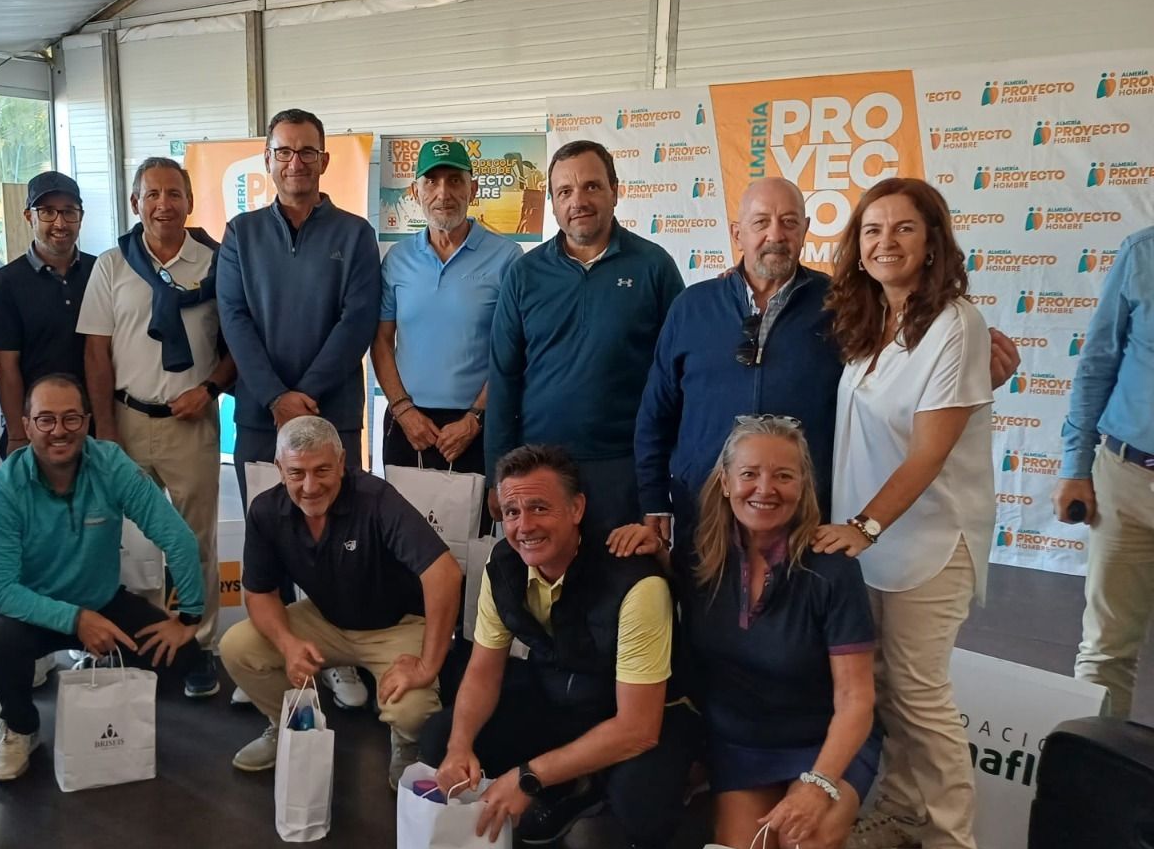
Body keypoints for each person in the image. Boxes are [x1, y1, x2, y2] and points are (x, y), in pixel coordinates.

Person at [634, 177, 1020, 555]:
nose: (775, 234)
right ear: (737, 234)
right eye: (760, 222)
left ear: (805, 230)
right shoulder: (692, 307)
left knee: (797, 620)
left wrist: (972, 374)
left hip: (806, 520)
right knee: (701, 618)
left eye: (788, 222)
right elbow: (657, 412)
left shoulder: (845, 307)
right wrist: (655, 499)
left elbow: (897, 376)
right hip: (705, 512)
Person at [814, 177, 994, 849]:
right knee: (882, 686)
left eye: (904, 230)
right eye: (872, 230)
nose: (885, 242)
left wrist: (865, 522)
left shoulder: (956, 325)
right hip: (874, 545)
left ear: (933, 243)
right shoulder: (868, 322)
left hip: (925, 542)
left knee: (919, 697)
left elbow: (930, 448)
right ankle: (895, 812)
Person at [421, 444, 701, 849]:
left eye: (539, 507)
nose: (524, 525)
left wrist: (528, 777)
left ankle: (646, 844)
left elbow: (638, 726)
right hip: (562, 695)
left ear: (577, 509)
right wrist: (458, 746)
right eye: (511, 511)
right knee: (439, 738)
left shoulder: (635, 581)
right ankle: (572, 789)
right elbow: (482, 672)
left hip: (642, 714)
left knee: (642, 802)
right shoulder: (503, 568)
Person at [612, 416, 877, 849]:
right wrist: (651, 548)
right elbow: (681, 585)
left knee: (803, 847)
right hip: (740, 742)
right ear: (726, 481)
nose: (765, 488)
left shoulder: (832, 569)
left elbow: (856, 698)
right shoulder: (700, 553)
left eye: (783, 475)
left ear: (804, 485)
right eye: (750, 473)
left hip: (820, 739)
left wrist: (820, 782)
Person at [217, 107, 380, 711]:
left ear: (324, 161)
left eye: (307, 152)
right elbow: (234, 319)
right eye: (283, 152)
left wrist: (304, 399)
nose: (295, 163)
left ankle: (335, 657)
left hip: (331, 414)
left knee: (338, 534)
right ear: (267, 161)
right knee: (271, 533)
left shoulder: (355, 234)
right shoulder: (241, 234)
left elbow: (357, 321)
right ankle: (267, 652)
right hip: (262, 417)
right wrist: (276, 398)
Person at [0, 374, 207, 782]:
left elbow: (178, 537)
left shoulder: (112, 465)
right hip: (35, 612)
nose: (59, 431)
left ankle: (106, 695)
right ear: (26, 425)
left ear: (87, 421)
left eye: (70, 419)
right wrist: (75, 620)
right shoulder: (3, 492)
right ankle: (21, 728)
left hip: (102, 602)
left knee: (182, 656)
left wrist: (188, 616)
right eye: (45, 420)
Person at [220, 415, 460, 788]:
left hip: (395, 625)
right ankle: (288, 725)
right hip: (325, 619)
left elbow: (444, 572)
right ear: (279, 468)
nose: (310, 486)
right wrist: (288, 644)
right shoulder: (266, 510)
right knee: (236, 645)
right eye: (297, 473)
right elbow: (259, 592)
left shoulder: (376, 498)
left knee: (413, 712)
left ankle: (408, 746)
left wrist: (428, 665)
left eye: (322, 470)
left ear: (343, 462)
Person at [81, 157, 234, 699]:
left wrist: (210, 388)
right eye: (152, 194)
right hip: (124, 418)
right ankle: (121, 640)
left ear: (190, 202)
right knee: (113, 537)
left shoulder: (216, 262)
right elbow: (96, 351)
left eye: (174, 193)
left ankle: (198, 644)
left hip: (189, 421)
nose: (163, 204)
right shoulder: (111, 266)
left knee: (194, 538)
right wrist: (104, 428)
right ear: (134, 203)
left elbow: (236, 345)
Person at [486, 140, 683, 533]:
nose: (578, 200)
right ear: (554, 203)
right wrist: (499, 474)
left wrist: (660, 483)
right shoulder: (524, 275)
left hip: (625, 467)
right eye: (565, 192)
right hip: (539, 468)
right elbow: (504, 378)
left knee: (623, 582)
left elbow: (678, 378)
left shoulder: (654, 267)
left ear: (614, 190)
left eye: (591, 186)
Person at [371, 139, 521, 477]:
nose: (443, 193)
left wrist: (475, 419)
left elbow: (514, 349)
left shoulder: (507, 258)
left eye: (454, 180)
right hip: (407, 424)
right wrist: (403, 410)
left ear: (474, 188)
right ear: (415, 191)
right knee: (402, 529)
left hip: (477, 427)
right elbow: (381, 340)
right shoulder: (397, 259)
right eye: (431, 181)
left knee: (475, 531)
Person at [1054, 225, 1154, 718]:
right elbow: (1098, 363)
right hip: (1126, 478)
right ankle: (1091, 786)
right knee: (1105, 652)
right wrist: (1076, 466)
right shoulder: (1143, 253)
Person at [0, 172, 97, 457]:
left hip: (92, 424)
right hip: (38, 426)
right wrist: (17, 435)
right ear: (28, 216)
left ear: (80, 217)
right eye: (47, 212)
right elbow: (5, 366)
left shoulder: (102, 272)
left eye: (69, 212)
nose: (59, 223)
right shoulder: (5, 283)